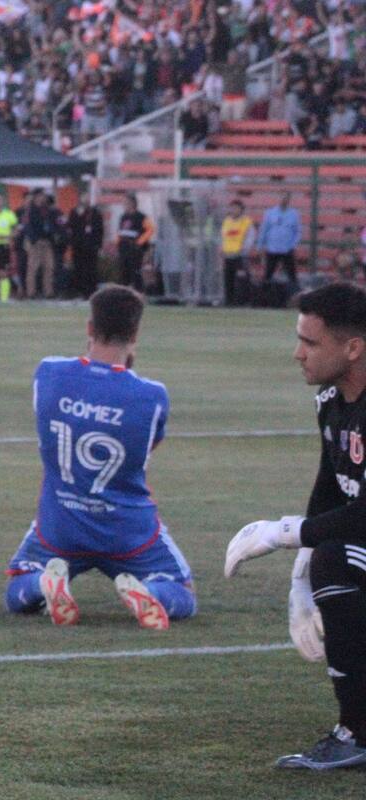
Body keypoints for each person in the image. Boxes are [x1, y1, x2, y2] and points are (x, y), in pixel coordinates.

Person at [225, 282, 366, 770]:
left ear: (353, 348)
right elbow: (333, 487)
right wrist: (302, 571)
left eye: (310, 343)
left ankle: (358, 733)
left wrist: (285, 534)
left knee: (338, 560)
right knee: (330, 559)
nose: (297, 354)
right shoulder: (331, 398)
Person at [5, 285, 195, 629]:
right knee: (181, 591)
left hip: (60, 523)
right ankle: (149, 591)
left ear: (90, 328)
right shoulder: (151, 396)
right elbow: (144, 450)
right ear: (135, 334)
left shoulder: (48, 373)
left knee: (18, 585)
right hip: (126, 529)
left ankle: (43, 583)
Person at [258, 192, 302, 294]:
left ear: (289, 199)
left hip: (287, 249)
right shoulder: (270, 213)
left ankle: (295, 297)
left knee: (292, 274)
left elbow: (298, 231)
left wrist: (294, 245)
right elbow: (264, 229)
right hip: (272, 248)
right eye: (282, 197)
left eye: (286, 198)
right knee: (268, 274)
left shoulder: (294, 214)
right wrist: (260, 245)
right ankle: (263, 297)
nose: (283, 199)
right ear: (278, 198)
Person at [22, 190, 56, 300]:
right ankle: (31, 292)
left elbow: (52, 225)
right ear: (36, 197)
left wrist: (52, 237)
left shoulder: (48, 210)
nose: (43, 198)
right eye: (41, 196)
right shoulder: (30, 211)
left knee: (49, 267)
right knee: (33, 268)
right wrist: (33, 240)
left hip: (47, 242)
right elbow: (28, 227)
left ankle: (48, 292)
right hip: (35, 243)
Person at [67, 198, 104, 299]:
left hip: (91, 247)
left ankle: (91, 292)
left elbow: (100, 230)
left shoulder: (95, 213)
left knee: (91, 270)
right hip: (78, 246)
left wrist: (99, 245)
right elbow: (71, 227)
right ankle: (79, 291)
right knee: (78, 269)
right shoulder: (74, 212)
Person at [115, 194, 154, 290]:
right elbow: (120, 232)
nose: (124, 205)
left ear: (132, 203)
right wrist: (117, 244)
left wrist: (139, 242)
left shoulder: (142, 217)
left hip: (135, 249)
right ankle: (124, 293)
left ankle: (138, 293)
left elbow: (150, 230)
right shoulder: (123, 216)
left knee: (135, 273)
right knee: (124, 272)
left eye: (126, 203)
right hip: (124, 248)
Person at [220, 200, 255, 307]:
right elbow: (223, 236)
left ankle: (243, 302)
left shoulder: (246, 222)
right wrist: (222, 249)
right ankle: (229, 301)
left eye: (236, 208)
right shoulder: (227, 221)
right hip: (228, 255)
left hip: (240, 255)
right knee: (228, 279)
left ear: (241, 209)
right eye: (232, 208)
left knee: (242, 279)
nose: (233, 210)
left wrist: (244, 250)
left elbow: (250, 237)